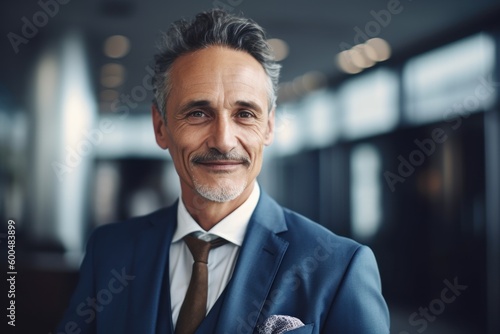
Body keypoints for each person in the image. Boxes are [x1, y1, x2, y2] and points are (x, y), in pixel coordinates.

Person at [57, 9, 390, 334]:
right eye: (199, 113)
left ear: (269, 127)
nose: (223, 141)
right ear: (161, 127)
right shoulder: (109, 250)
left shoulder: (339, 267)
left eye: (245, 114)